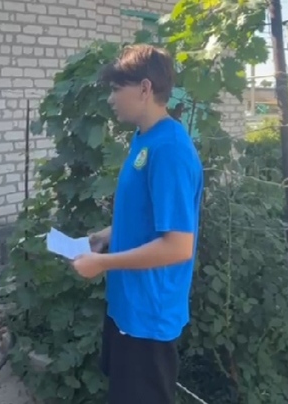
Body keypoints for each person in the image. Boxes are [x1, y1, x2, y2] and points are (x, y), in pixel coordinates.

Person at [71, 44, 204, 404]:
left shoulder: (170, 150)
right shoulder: (144, 138)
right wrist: (105, 236)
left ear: (145, 89)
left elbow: (178, 245)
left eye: (117, 89)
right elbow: (147, 219)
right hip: (128, 304)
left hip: (149, 314)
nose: (110, 99)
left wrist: (103, 263)